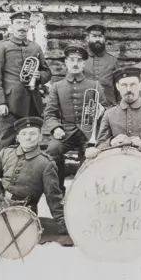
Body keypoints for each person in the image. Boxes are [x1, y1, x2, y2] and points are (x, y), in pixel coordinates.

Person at [44, 46, 107, 194]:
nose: (75, 64)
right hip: (66, 131)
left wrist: (102, 110)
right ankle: (59, 190)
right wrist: (55, 128)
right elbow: (50, 113)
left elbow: (106, 107)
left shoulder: (95, 85)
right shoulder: (57, 86)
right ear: (66, 63)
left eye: (79, 61)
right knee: (52, 152)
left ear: (84, 64)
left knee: (91, 155)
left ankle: (81, 189)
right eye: (71, 60)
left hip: (89, 131)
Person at [0, 10, 52, 154]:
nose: (22, 26)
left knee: (30, 143)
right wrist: (0, 103)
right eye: (18, 23)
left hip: (32, 104)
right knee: (5, 144)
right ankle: (1, 174)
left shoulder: (35, 47)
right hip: (10, 104)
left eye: (25, 23)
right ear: (12, 26)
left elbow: (47, 73)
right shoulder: (1, 46)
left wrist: (39, 75)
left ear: (29, 26)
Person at [85, 66, 141, 161]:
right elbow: (98, 148)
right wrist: (112, 142)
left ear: (140, 85)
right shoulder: (109, 114)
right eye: (124, 85)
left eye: (133, 84)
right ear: (117, 87)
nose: (128, 89)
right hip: (116, 165)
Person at [83, 24, 121, 106]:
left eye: (100, 36)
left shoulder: (113, 61)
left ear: (104, 39)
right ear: (87, 38)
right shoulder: (81, 60)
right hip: (86, 108)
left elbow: (120, 88)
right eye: (94, 36)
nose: (97, 39)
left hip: (109, 108)